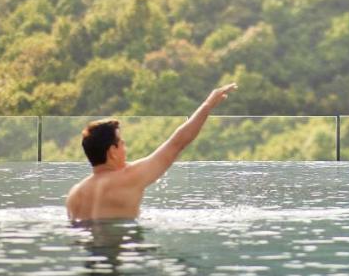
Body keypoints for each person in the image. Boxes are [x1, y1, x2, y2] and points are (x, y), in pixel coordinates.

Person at [66, 83, 237, 222]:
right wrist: (207, 105)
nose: (125, 147)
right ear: (112, 151)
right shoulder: (129, 177)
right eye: (122, 143)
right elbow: (177, 144)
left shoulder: (75, 195)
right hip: (123, 254)